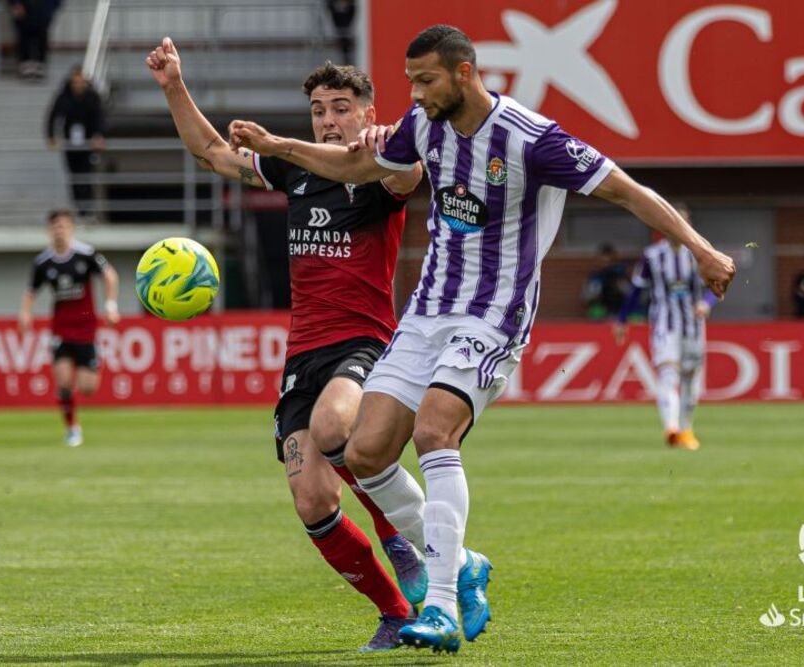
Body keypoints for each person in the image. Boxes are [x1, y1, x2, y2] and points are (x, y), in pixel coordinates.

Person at [228, 24, 735, 653]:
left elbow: (627, 190)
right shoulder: (424, 124)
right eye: (411, 80)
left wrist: (702, 249)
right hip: (428, 310)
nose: (414, 92)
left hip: (493, 313)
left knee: (434, 429)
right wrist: (279, 143)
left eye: (426, 80)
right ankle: (463, 562)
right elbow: (357, 163)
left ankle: (438, 605)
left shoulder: (533, 139)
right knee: (362, 452)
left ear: (465, 73)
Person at [146, 38, 427, 652]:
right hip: (304, 353)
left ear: (367, 112)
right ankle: (398, 612)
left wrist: (388, 150)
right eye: (321, 110)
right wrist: (173, 85)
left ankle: (402, 538)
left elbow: (411, 174)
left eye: (342, 107)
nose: (330, 120)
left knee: (335, 427)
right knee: (311, 501)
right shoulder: (296, 169)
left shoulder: (381, 164)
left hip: (367, 340)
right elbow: (214, 154)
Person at [613, 205, 717, 450]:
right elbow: (636, 290)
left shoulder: (699, 253)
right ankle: (671, 428)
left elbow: (715, 285)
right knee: (668, 374)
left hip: (693, 325)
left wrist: (706, 303)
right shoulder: (652, 256)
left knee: (691, 379)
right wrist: (622, 319)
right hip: (664, 324)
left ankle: (686, 428)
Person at [18, 209, 119, 447]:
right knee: (63, 381)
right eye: (55, 226)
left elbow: (110, 275)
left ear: (71, 228)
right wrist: (25, 314)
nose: (59, 230)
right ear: (49, 230)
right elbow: (30, 292)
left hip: (86, 327)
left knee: (87, 388)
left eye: (63, 226)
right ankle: (72, 428)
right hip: (60, 329)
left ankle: (94, 363)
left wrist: (111, 305)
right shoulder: (43, 262)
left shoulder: (86, 254)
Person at [47, 66, 106, 217]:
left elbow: (100, 117)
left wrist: (99, 135)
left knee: (86, 174)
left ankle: (88, 209)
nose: (78, 85)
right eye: (75, 82)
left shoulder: (93, 97)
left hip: (88, 142)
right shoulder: (64, 96)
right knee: (73, 176)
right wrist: (51, 136)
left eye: (81, 82)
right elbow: (53, 115)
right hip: (70, 142)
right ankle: (79, 209)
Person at [8, 0, 61, 80]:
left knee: (42, 38)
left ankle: (40, 66)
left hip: (43, 13)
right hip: (23, 13)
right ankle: (25, 66)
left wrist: (50, 10)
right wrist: (15, 4)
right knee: (24, 39)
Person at [581, 242, 631, 320]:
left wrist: (618, 283)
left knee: (636, 316)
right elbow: (586, 299)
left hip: (621, 309)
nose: (606, 263)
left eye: (609, 260)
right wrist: (597, 288)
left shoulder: (621, 274)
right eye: (603, 260)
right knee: (596, 313)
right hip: (602, 310)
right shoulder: (596, 276)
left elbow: (631, 294)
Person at [325, 0, 356, 64]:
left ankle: (346, 62)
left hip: (346, 34)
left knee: (346, 50)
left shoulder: (351, 10)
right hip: (340, 32)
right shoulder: (335, 11)